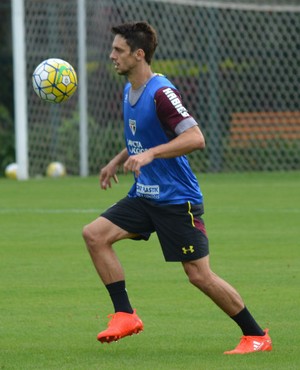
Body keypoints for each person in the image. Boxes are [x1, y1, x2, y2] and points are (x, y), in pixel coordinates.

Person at [82, 21, 272, 354]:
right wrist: (116, 160)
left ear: (139, 55)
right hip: (144, 195)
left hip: (176, 199)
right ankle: (125, 314)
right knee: (95, 235)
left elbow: (195, 138)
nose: (111, 55)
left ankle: (256, 335)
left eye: (118, 50)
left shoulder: (162, 93)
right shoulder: (129, 89)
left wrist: (151, 155)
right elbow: (145, 135)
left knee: (199, 275)